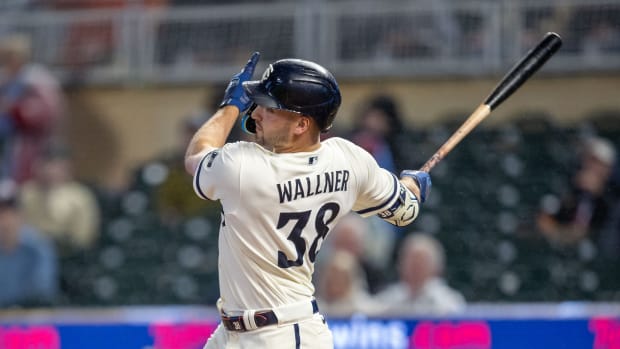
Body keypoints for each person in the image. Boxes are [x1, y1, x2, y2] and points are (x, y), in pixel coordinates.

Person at [184, 52, 431, 348]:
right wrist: (412, 185)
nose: (255, 114)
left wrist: (230, 107)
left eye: (269, 109)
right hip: (244, 332)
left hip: (280, 335)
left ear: (301, 124)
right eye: (257, 105)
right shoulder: (347, 160)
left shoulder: (242, 166)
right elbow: (404, 211)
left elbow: (196, 155)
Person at [0, 33, 65, 184]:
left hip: (30, 148)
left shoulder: (37, 80)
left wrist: (14, 109)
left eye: (9, 57)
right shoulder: (5, 80)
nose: (5, 62)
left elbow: (46, 113)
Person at [18, 145, 101, 257]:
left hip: (66, 255)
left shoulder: (81, 196)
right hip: (27, 252)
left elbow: (83, 239)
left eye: (58, 166)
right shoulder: (26, 192)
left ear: (68, 169)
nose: (51, 171)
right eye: (47, 164)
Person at [537, 136, 617, 246]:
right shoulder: (571, 187)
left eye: (596, 162)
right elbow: (547, 218)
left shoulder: (612, 194)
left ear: (607, 168)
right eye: (588, 160)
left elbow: (608, 221)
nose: (590, 166)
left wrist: (598, 192)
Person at [374, 233, 465, 316]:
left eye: (422, 262)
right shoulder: (386, 299)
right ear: (400, 264)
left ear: (436, 267)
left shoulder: (450, 302)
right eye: (411, 261)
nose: (416, 267)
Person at [0, 178, 59, 307]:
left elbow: (42, 293)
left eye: (10, 212)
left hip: (28, 318)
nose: (4, 220)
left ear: (21, 214)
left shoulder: (38, 247)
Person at [314, 250, 383, 318]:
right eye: (332, 277)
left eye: (340, 277)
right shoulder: (317, 308)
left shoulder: (362, 307)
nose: (334, 282)